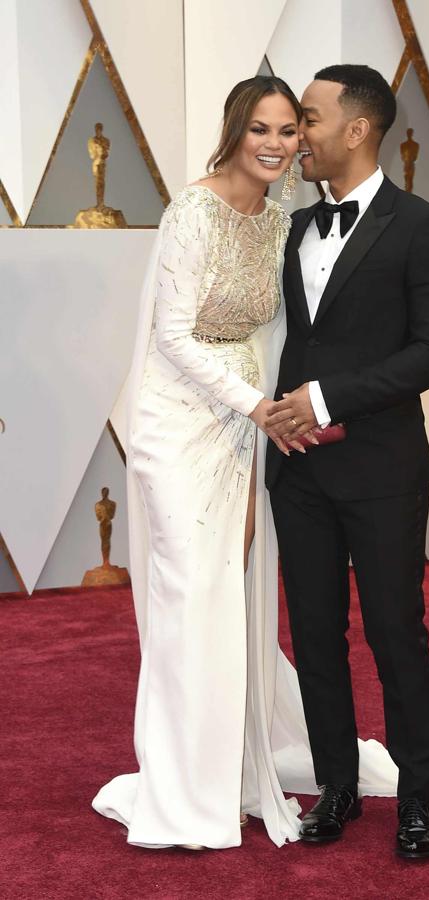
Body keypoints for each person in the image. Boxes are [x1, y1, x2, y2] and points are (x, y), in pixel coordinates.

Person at [92, 75, 304, 850]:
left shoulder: (279, 219)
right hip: (177, 425)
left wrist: (265, 421)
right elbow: (174, 338)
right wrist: (258, 410)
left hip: (243, 428)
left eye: (287, 131)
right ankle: (181, 794)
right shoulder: (193, 211)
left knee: (229, 592)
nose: (275, 144)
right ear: (234, 131)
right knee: (188, 595)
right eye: (261, 129)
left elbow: (269, 333)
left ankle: (229, 772)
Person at [264, 64, 429, 860]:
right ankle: (336, 787)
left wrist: (327, 398)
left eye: (308, 118)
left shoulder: (423, 224)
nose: (295, 134)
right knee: (314, 635)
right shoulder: (290, 225)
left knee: (394, 633)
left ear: (357, 129)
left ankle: (419, 802)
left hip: (382, 470)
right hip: (300, 473)